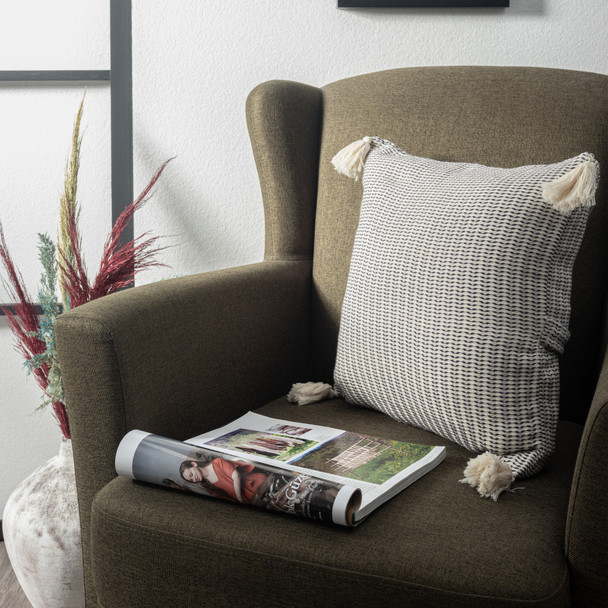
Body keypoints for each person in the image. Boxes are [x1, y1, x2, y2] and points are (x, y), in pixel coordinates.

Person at [179, 457, 268, 504]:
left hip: (257, 484)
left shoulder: (217, 462)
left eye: (191, 474)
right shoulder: (208, 486)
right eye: (191, 480)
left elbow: (236, 476)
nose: (194, 478)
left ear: (194, 464)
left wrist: (240, 500)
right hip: (249, 501)